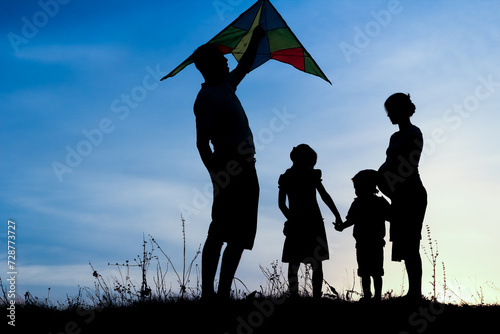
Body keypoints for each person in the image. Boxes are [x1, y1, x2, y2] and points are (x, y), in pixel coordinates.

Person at [192, 26, 265, 300]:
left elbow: (245, 65)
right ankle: (209, 294)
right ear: (208, 65)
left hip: (247, 166)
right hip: (228, 166)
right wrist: (216, 173)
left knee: (240, 235)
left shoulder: (225, 86)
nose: (227, 61)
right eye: (221, 59)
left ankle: (222, 293)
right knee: (220, 231)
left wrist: (256, 38)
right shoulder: (206, 98)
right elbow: (202, 143)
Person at [377, 93, 427, 302]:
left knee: (411, 243)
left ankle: (415, 293)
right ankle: (411, 292)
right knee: (405, 244)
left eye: (391, 111)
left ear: (402, 110)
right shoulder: (394, 137)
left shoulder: (414, 132)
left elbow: (409, 164)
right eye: (387, 112)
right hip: (398, 194)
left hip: (411, 193)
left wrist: (394, 188)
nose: (388, 116)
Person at [278, 144, 343, 299]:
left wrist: (291, 219)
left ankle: (297, 297)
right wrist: (337, 215)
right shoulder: (308, 175)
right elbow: (324, 196)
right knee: (314, 262)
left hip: (303, 222)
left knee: (296, 262)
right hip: (311, 222)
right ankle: (314, 298)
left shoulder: (289, 177)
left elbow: (281, 205)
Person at [335, 169, 390, 301]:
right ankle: (373, 296)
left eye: (357, 187)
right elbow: (391, 216)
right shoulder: (379, 202)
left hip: (366, 243)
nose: (356, 190)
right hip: (372, 243)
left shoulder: (358, 203)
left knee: (368, 272)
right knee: (373, 272)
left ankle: (370, 296)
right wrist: (342, 226)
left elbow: (350, 220)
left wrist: (342, 226)